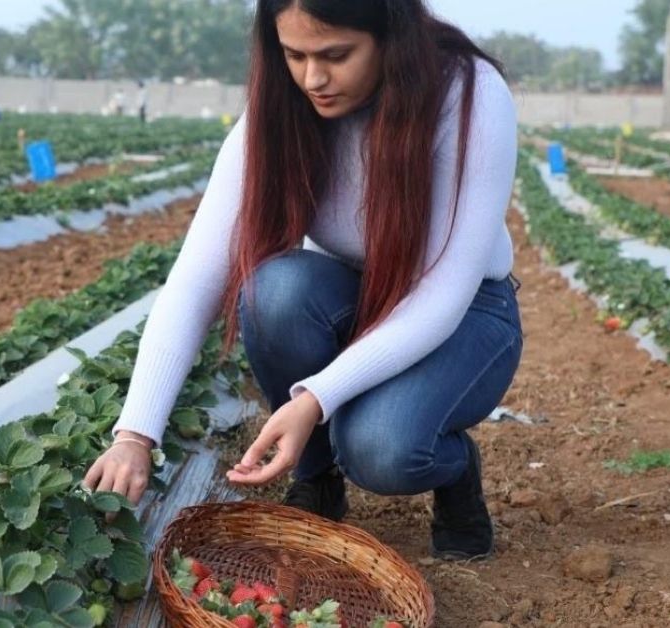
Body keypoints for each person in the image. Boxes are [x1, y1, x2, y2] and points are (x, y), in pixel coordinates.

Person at [82, 0, 521, 562]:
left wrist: (316, 397)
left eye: (336, 55)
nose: (314, 78)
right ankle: (317, 476)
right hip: (351, 294)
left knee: (381, 449)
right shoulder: (279, 111)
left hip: (462, 312)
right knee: (274, 290)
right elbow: (195, 280)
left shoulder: (468, 95)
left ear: (391, 37)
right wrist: (134, 436)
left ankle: (454, 471)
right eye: (295, 55)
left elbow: (441, 295)